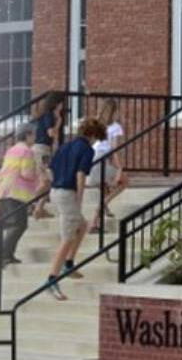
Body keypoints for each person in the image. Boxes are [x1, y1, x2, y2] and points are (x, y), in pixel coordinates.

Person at [43, 118, 108, 301]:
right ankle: (51, 280)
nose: (96, 142)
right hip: (67, 193)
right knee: (67, 238)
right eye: (97, 139)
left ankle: (69, 263)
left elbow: (51, 169)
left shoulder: (65, 146)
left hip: (56, 191)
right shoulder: (87, 149)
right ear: (93, 135)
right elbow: (80, 175)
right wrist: (79, 199)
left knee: (82, 225)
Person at [0, 122, 47, 266]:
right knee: (19, 224)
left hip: (3, 191)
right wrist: (39, 171)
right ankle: (0, 251)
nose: (35, 137)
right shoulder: (27, 151)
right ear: (27, 135)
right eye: (33, 134)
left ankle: (8, 255)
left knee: (16, 224)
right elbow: (27, 174)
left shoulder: (12, 150)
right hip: (15, 192)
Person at [88, 98, 130, 230]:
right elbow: (114, 149)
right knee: (124, 182)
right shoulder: (116, 127)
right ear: (114, 111)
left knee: (104, 186)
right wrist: (119, 169)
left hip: (91, 158)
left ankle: (103, 210)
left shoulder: (97, 124)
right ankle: (96, 216)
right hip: (101, 158)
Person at [29, 93, 64, 219]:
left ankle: (38, 208)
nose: (62, 106)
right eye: (61, 103)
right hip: (41, 150)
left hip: (43, 150)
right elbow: (51, 133)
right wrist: (59, 122)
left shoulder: (46, 115)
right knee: (48, 180)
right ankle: (29, 202)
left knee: (48, 181)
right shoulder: (49, 115)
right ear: (56, 103)